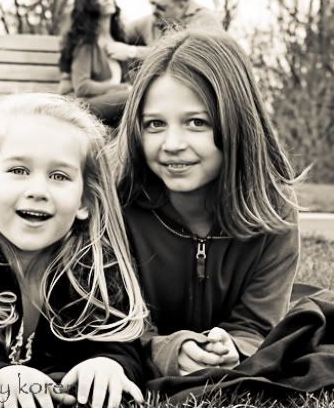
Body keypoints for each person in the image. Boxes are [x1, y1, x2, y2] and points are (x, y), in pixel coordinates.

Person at [0, 93, 149, 408]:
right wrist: (3, 375)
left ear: (85, 202)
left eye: (59, 176)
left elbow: (121, 343)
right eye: (19, 170)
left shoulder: (98, 268)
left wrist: (108, 364)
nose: (37, 191)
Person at [112, 29, 301, 377]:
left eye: (196, 123)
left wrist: (234, 348)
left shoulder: (274, 212)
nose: (172, 144)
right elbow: (110, 321)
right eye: (155, 124)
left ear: (236, 122)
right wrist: (168, 351)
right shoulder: (117, 205)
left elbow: (258, 323)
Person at [58, 0, 149, 125]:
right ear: (89, 5)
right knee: (134, 97)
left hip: (114, 104)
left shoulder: (118, 40)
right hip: (86, 106)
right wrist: (120, 88)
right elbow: (82, 87)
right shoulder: (86, 43)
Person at [128, 0, 223, 46]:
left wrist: (132, 52)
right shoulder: (151, 20)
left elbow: (182, 55)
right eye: (153, 4)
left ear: (181, 6)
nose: (154, 11)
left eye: (161, 7)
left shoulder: (206, 22)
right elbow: (123, 31)